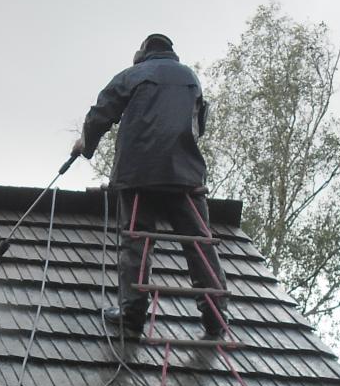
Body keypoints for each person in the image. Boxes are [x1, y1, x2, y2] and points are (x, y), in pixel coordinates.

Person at [71, 33, 228, 339]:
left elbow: (101, 112)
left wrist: (85, 145)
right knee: (199, 244)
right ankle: (215, 315)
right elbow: (201, 124)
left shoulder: (133, 74)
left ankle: (132, 316)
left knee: (136, 244)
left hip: (139, 174)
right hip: (183, 176)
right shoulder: (189, 78)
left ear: (141, 54)